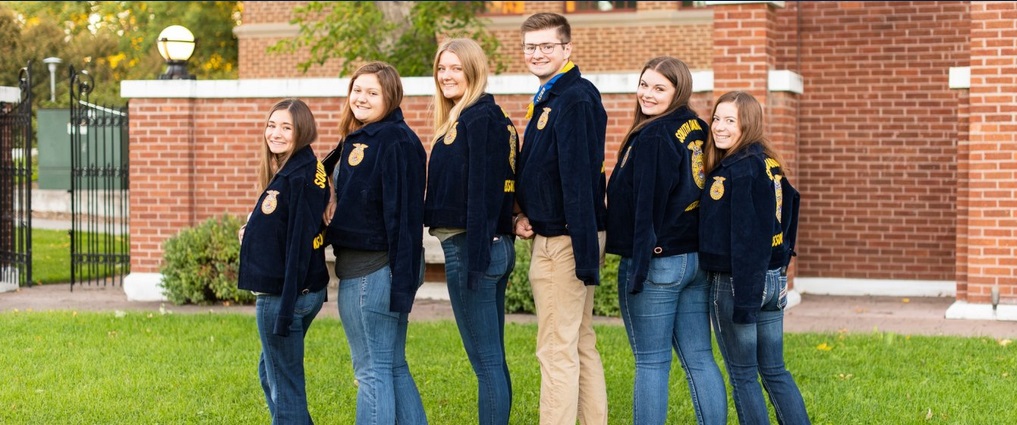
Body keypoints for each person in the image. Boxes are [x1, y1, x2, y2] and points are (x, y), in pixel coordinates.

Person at [605, 57, 727, 425]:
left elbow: (647, 208)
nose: (647, 94)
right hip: (693, 260)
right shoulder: (696, 126)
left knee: (651, 361)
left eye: (659, 88)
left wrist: (639, 269)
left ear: (678, 91)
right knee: (700, 358)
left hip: (658, 260)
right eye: (644, 84)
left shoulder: (656, 136)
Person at [513, 12, 609, 425]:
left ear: (567, 48)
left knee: (555, 348)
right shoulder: (552, 96)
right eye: (531, 47)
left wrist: (582, 250)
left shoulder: (575, 98)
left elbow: (579, 177)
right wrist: (523, 211)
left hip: (567, 239)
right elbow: (543, 170)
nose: (538, 53)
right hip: (559, 233)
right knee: (578, 342)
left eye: (547, 46)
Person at [322, 61, 428, 425]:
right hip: (372, 271)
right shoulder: (364, 136)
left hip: (374, 272)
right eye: (357, 90)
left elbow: (404, 215)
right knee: (391, 365)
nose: (361, 98)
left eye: (372, 92)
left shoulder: (393, 141)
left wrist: (401, 283)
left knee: (371, 371)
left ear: (391, 97)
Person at [699, 91, 809, 424]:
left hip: (739, 284)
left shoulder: (739, 170)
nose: (719, 127)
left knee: (744, 374)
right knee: (774, 369)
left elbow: (746, 238)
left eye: (730, 121)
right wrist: (782, 260)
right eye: (716, 119)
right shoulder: (766, 161)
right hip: (771, 278)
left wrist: (745, 301)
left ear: (748, 124)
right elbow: (792, 204)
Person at [423, 38, 517, 425]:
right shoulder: (478, 117)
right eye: (442, 68)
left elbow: (483, 191)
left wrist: (478, 256)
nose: (446, 75)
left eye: (455, 68)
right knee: (491, 357)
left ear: (474, 71)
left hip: (473, 248)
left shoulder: (479, 119)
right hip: (486, 245)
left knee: (486, 360)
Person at [237, 98, 330, 425]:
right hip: (299, 292)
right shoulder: (301, 167)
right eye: (272, 125)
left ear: (302, 131)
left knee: (286, 387)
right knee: (271, 373)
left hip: (285, 296)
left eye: (286, 127)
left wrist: (285, 309)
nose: (275, 133)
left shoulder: (297, 177)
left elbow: (298, 247)